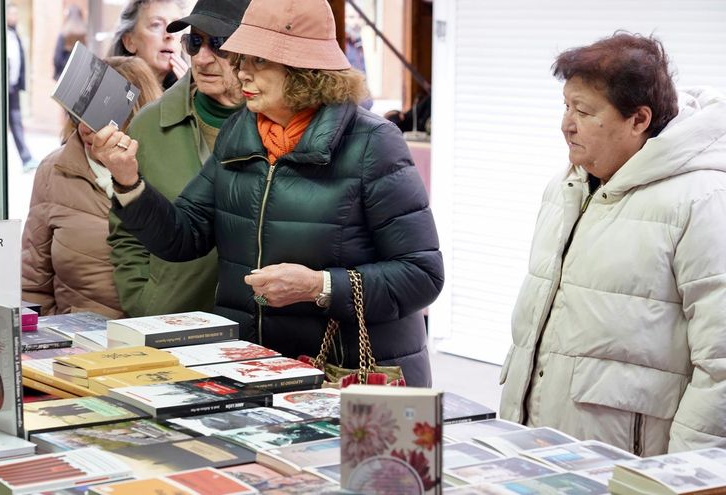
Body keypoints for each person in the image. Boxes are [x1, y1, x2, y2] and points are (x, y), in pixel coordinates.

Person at [94, 0, 444, 386]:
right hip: (257, 371)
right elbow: (184, 236)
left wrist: (319, 286)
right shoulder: (240, 132)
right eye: (242, 59)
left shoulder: (373, 143)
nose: (241, 71)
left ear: (304, 71)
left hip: (346, 378)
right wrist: (129, 182)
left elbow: (422, 275)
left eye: (258, 62)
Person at [499, 32, 726, 455]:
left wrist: (684, 475)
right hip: (538, 450)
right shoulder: (565, 185)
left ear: (639, 120)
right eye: (566, 106)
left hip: (629, 463)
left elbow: (721, 364)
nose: (566, 123)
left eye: (583, 111)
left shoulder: (702, 200)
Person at [107, 0, 249, 317]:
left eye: (220, 44)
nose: (201, 57)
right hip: (171, 326)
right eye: (194, 42)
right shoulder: (149, 124)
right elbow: (126, 233)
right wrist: (145, 301)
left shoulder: (273, 126)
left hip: (258, 335)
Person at [21, 57, 162, 319]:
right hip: (78, 343)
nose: (86, 128)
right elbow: (33, 284)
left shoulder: (167, 168)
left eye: (101, 116)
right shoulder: (54, 171)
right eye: (79, 113)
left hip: (155, 337)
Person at [110, 0, 188, 90]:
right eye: (156, 25)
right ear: (129, 42)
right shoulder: (113, 93)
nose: (170, 35)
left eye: (176, 26)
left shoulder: (193, 91)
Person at [5, 2, 36, 171]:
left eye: (16, 14)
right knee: (12, 123)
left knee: (16, 122)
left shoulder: (15, 35)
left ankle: (26, 158)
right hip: (4, 88)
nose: (14, 17)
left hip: (13, 87)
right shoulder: (3, 35)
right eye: (11, 14)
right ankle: (26, 158)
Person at [53, 5, 87, 81]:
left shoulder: (63, 34)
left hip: (64, 75)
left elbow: (57, 59)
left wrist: (57, 72)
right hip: (80, 76)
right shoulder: (84, 35)